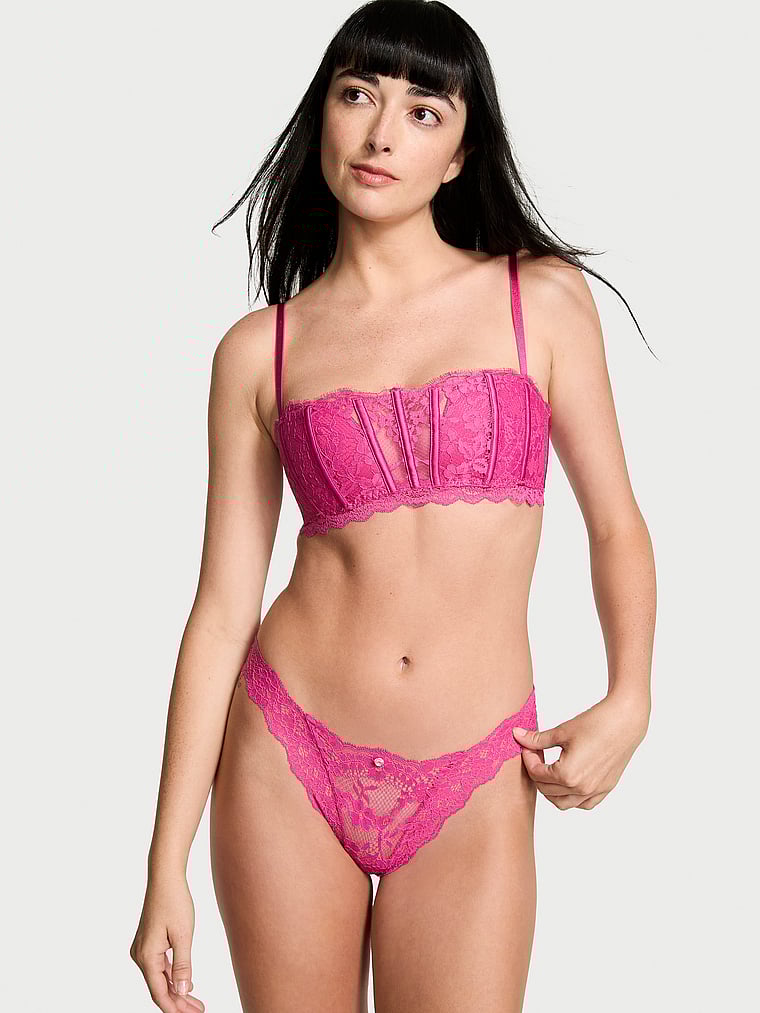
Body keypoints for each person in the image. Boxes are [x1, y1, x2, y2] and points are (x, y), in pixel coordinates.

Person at [130, 2, 656, 1010]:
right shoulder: (260, 351)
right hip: (286, 754)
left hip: (477, 765)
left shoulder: (540, 301)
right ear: (322, 116)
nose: (380, 133)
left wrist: (629, 694)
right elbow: (222, 610)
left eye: (423, 111)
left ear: (460, 155)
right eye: (358, 94)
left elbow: (615, 523)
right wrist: (165, 863)